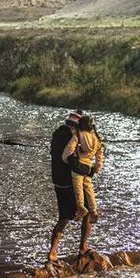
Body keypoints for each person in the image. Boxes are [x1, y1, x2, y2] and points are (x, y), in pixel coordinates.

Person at [47, 111, 94, 262]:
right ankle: (83, 247)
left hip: (58, 182)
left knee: (64, 217)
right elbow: (71, 159)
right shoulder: (72, 138)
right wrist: (87, 170)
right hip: (71, 182)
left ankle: (52, 253)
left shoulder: (57, 135)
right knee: (88, 212)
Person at [62, 115, 105, 222]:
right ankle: (93, 210)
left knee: (78, 187)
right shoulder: (96, 138)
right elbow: (99, 155)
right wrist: (97, 167)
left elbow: (69, 150)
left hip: (78, 165)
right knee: (89, 188)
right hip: (88, 167)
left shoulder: (78, 135)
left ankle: (81, 207)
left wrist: (66, 160)